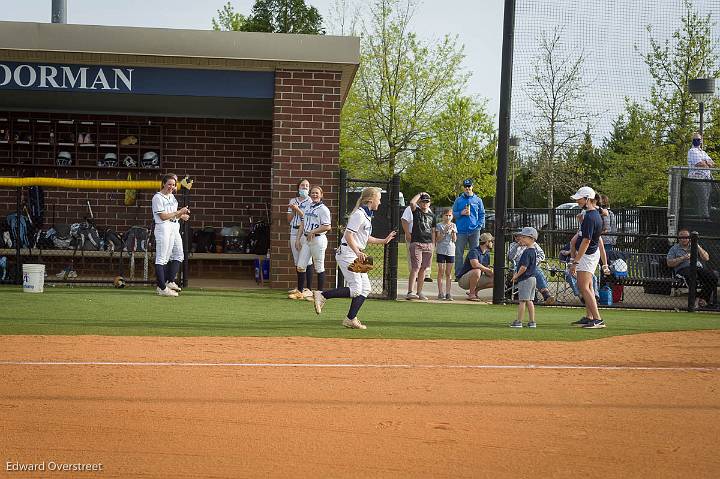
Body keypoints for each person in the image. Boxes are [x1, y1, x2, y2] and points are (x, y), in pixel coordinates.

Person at [312, 187, 396, 329]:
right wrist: (357, 252)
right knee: (356, 289)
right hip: (348, 253)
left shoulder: (366, 215)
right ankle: (322, 295)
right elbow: (348, 236)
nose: (380, 203)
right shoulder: (359, 214)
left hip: (356, 253)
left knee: (366, 289)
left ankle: (350, 319)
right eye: (379, 199)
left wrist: (384, 241)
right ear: (370, 200)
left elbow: (364, 237)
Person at [568, 186, 611, 328]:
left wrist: (575, 261)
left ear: (587, 199)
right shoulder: (592, 214)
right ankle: (590, 316)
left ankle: (597, 319)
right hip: (589, 255)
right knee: (589, 286)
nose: (578, 201)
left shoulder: (591, 217)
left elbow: (586, 241)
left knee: (584, 287)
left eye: (580, 198)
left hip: (587, 256)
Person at [152, 173, 190, 297]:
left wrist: (181, 215)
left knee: (178, 254)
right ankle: (162, 287)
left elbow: (173, 214)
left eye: (173, 185)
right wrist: (179, 212)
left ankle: (168, 281)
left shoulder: (172, 197)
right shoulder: (158, 197)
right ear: (164, 183)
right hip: (163, 227)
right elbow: (163, 216)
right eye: (169, 184)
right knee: (162, 258)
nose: (171, 187)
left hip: (173, 226)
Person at [666, 228, 718, 308]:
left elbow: (706, 258)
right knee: (691, 277)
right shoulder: (674, 249)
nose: (684, 239)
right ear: (678, 238)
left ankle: (702, 298)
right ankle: (694, 300)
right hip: (683, 269)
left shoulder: (694, 246)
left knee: (712, 277)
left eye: (686, 237)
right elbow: (669, 263)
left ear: (690, 238)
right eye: (681, 237)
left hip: (697, 267)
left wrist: (696, 245)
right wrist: (682, 258)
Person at [295, 186, 331, 296]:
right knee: (301, 266)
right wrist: (297, 239)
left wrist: (313, 231)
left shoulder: (324, 209)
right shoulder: (308, 207)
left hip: (318, 239)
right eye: (313, 193)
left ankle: (319, 294)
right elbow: (303, 223)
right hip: (306, 239)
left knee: (319, 267)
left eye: (317, 193)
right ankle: (300, 292)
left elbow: (327, 226)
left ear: (321, 195)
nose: (314, 195)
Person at [507, 232, 556, 305]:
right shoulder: (513, 245)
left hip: (532, 265)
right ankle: (546, 294)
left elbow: (542, 255)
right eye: (516, 236)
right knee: (535, 270)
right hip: (518, 265)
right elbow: (510, 258)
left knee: (535, 269)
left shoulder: (533, 244)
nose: (518, 238)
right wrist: (517, 246)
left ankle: (546, 296)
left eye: (521, 236)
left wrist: (534, 262)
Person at [452, 178, 485, 278]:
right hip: (461, 231)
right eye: (465, 187)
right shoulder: (458, 200)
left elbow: (482, 214)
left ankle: (474, 273)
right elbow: (453, 213)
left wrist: (479, 225)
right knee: (458, 253)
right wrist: (460, 213)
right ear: (463, 188)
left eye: (469, 186)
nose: (467, 188)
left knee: (475, 253)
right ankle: (458, 275)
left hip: (474, 231)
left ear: (472, 187)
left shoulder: (478, 200)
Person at [406, 192, 436, 300]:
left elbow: (433, 231)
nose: (425, 204)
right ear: (420, 202)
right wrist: (420, 194)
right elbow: (412, 203)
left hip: (428, 244)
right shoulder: (417, 212)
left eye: (427, 202)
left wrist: (433, 244)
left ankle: (420, 292)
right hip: (417, 243)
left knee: (424, 268)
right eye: (423, 201)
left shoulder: (432, 216)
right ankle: (410, 291)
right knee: (416, 267)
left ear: (430, 203)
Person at [287, 179, 313, 299]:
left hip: (305, 233)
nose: (305, 187)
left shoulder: (311, 201)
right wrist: (293, 210)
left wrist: (298, 210)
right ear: (298, 188)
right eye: (303, 185)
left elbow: (307, 218)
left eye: (307, 186)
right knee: (297, 261)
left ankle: (309, 289)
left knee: (307, 261)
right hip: (294, 231)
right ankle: (300, 288)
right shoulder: (293, 200)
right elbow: (288, 219)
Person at [510, 227, 539, 328]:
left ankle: (519, 321)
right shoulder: (533, 251)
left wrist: (516, 275)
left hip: (525, 279)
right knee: (529, 301)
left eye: (523, 237)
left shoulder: (527, 252)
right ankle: (532, 321)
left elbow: (524, 267)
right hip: (532, 278)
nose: (520, 239)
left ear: (531, 238)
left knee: (522, 301)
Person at [456, 232, 494, 301]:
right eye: (491, 241)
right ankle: (471, 295)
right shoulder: (474, 251)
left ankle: (475, 291)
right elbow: (475, 264)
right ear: (487, 242)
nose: (492, 243)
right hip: (463, 281)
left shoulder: (487, 254)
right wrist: (487, 270)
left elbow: (486, 270)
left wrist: (492, 273)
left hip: (477, 277)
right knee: (477, 271)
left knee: (497, 280)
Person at [402, 205, 432, 289]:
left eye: (427, 201)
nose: (425, 202)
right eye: (423, 200)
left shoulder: (428, 210)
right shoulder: (410, 208)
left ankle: (426, 275)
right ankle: (412, 284)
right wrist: (407, 233)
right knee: (414, 262)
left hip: (425, 239)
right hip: (413, 237)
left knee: (424, 264)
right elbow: (404, 220)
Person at [687, 132, 715, 219]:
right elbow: (699, 163)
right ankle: (704, 217)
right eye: (694, 139)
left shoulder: (703, 152)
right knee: (703, 196)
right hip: (696, 178)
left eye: (698, 139)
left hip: (706, 179)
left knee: (707, 197)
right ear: (692, 141)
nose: (696, 141)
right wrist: (706, 163)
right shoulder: (692, 151)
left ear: (701, 141)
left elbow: (713, 163)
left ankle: (705, 214)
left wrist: (705, 162)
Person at [435, 208, 457, 300]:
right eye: (446, 215)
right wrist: (444, 231)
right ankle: (440, 292)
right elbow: (438, 239)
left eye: (449, 215)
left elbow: (455, 240)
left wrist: (453, 232)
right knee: (441, 271)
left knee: (448, 272)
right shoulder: (439, 225)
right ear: (443, 216)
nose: (448, 217)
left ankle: (448, 293)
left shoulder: (454, 225)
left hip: (450, 250)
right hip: (441, 250)